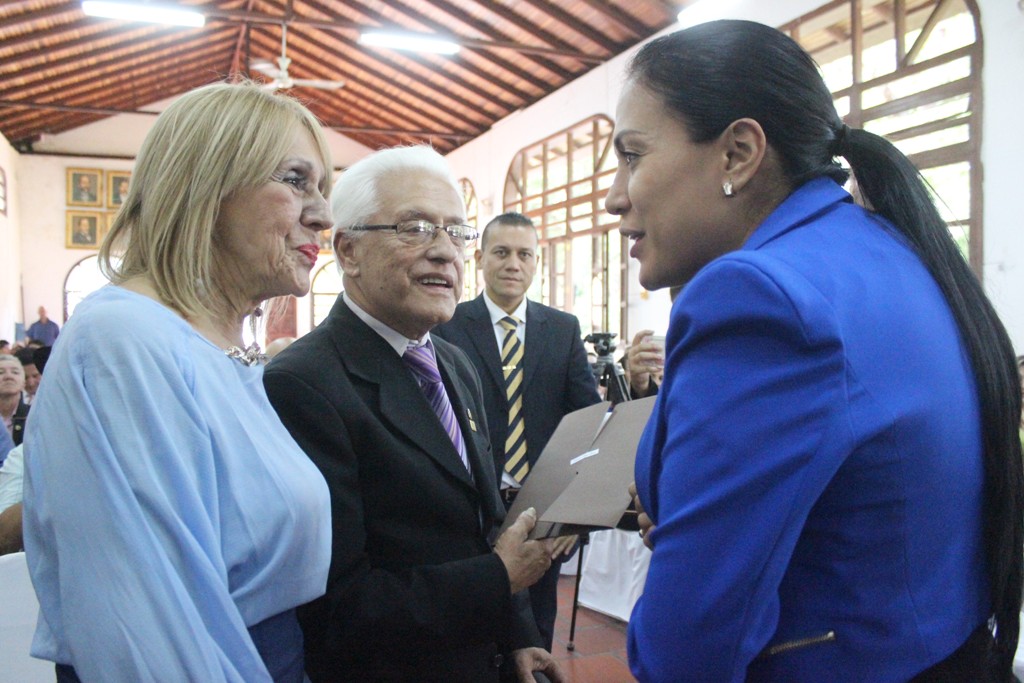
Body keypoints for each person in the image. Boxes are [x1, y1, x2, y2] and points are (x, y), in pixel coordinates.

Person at [607, 20, 1023, 682]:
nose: (613, 196)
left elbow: (688, 641)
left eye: (632, 155)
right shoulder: (884, 249)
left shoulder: (758, 298)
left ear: (738, 152)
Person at [22, 81, 333, 682]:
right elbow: (147, 627)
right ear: (207, 187)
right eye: (295, 181)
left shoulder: (209, 346)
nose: (321, 213)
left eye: (322, 188)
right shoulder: (125, 340)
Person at [264, 145, 564, 683]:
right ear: (348, 250)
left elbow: (486, 519)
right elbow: (340, 607)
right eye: (417, 228)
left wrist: (516, 632)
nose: (446, 252)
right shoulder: (304, 384)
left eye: (457, 232)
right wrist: (498, 579)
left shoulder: (452, 361)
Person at [434, 211, 601, 649]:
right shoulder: (446, 323)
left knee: (536, 633)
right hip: (470, 508)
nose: (513, 263)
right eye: (502, 252)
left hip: (541, 510)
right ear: (480, 258)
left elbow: (587, 423)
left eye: (524, 254)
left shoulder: (562, 329)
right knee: (474, 631)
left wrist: (574, 516)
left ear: (536, 262)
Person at [0, 353, 28, 447]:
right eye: (1, 372)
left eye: (15, 372)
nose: (8, 377)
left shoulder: (35, 415)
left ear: (24, 382)